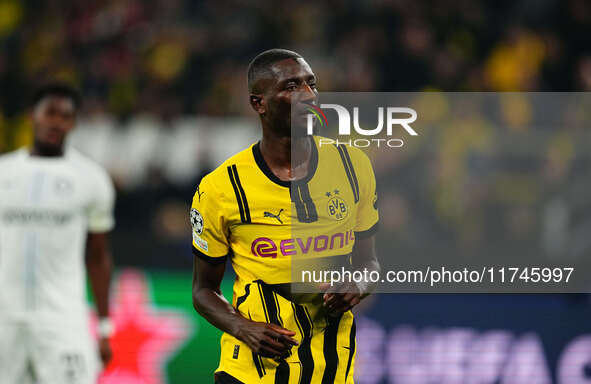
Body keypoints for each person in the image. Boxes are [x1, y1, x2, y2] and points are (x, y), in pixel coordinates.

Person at [191, 49, 380, 384]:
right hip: (251, 371)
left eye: (311, 84)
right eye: (291, 87)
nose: (308, 96)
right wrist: (242, 327)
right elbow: (204, 290)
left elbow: (369, 265)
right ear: (258, 103)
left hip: (331, 370)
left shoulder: (353, 166)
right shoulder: (222, 188)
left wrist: (357, 285)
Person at [0, 83, 116, 383]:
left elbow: (98, 255)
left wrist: (104, 328)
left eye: (65, 116)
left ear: (74, 123)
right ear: (32, 116)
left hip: (62, 319)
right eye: (49, 113)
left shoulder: (91, 179)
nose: (56, 122)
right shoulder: (4, 172)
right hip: (4, 318)